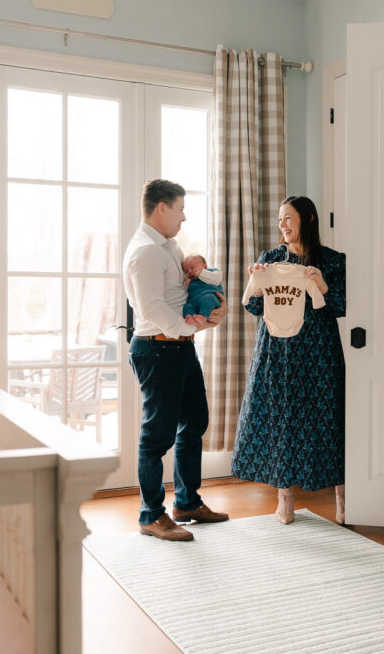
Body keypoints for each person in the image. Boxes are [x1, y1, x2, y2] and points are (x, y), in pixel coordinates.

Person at [123, 179, 230, 541]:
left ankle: (186, 502)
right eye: (181, 209)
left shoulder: (168, 245)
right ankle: (150, 515)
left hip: (179, 347)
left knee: (195, 421)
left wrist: (213, 308)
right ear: (162, 208)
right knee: (157, 436)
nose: (184, 217)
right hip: (157, 348)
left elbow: (180, 294)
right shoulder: (145, 252)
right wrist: (193, 330)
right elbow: (152, 308)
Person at [231, 196, 347, 524]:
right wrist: (256, 281)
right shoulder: (270, 259)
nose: (282, 225)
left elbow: (340, 307)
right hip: (277, 352)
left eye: (288, 218)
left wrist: (321, 283)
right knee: (279, 419)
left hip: (319, 353)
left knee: (329, 419)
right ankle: (285, 497)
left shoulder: (333, 260)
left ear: (308, 219)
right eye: (280, 219)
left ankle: (342, 496)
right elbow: (253, 308)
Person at [181, 254, 224, 325]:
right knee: (187, 306)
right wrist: (186, 284)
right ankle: (191, 318)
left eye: (193, 268)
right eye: (186, 271)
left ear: (205, 266)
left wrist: (201, 273)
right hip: (194, 301)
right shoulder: (191, 280)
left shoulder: (212, 272)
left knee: (208, 299)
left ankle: (203, 317)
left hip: (211, 298)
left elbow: (217, 280)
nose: (190, 271)